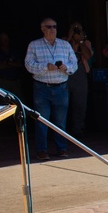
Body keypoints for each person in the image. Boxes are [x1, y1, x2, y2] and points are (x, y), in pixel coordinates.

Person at [25, 17, 77, 159]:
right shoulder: (34, 45)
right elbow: (28, 65)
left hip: (61, 87)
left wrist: (67, 68)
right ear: (42, 29)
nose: (52, 29)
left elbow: (75, 63)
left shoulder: (65, 45)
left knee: (60, 121)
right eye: (49, 27)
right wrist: (45, 67)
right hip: (42, 88)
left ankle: (62, 148)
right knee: (42, 120)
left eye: (54, 26)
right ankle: (42, 150)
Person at [65, 21, 93, 137]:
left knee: (80, 104)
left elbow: (88, 55)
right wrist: (70, 37)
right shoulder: (63, 42)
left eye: (79, 30)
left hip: (80, 74)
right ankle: (62, 130)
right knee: (63, 104)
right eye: (74, 29)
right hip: (65, 74)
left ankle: (78, 129)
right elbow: (60, 51)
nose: (77, 31)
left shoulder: (86, 42)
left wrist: (80, 41)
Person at [0, 31, 25, 101]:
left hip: (16, 81)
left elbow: (20, 64)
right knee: (5, 103)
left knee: (18, 101)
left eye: (6, 39)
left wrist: (6, 63)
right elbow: (0, 66)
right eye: (3, 39)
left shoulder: (15, 51)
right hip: (3, 82)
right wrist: (12, 63)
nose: (6, 41)